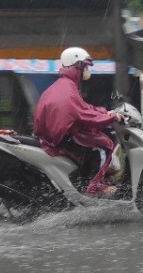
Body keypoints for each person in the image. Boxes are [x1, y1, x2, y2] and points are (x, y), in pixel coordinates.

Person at [33, 47, 125, 197]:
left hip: (53, 136)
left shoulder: (63, 86)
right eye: (86, 66)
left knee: (94, 146)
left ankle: (87, 179)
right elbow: (84, 114)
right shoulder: (68, 89)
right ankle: (93, 185)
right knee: (105, 147)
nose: (88, 70)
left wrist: (103, 112)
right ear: (79, 67)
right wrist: (111, 117)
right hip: (64, 136)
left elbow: (83, 108)